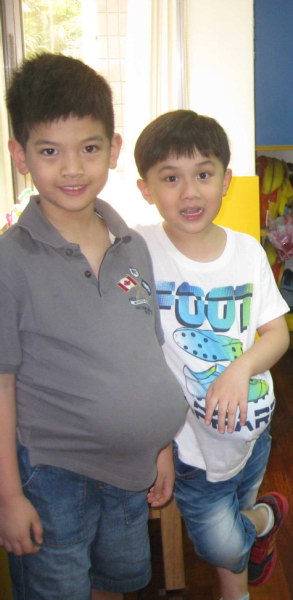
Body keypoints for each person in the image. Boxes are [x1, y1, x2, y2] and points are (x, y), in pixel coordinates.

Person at [0, 53, 187, 599]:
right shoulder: (11, 261)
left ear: (113, 148)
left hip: (130, 473)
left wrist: (159, 446)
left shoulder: (132, 245)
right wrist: (8, 497)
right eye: (49, 151)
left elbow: (147, 352)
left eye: (88, 148)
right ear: (20, 155)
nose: (72, 169)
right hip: (53, 478)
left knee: (115, 582)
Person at [134, 110, 291, 599]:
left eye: (203, 174)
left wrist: (241, 369)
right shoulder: (138, 249)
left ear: (226, 181)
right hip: (186, 442)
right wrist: (157, 445)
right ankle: (264, 522)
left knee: (233, 511)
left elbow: (277, 333)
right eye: (171, 178)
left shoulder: (247, 252)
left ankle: (236, 590)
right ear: (145, 189)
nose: (189, 192)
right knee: (218, 542)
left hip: (250, 430)